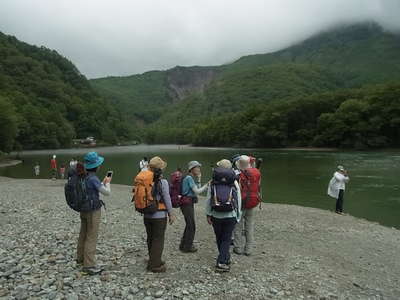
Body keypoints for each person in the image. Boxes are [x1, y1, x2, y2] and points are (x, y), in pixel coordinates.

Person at [77, 151, 111, 275]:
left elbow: (94, 188)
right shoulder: (93, 178)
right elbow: (106, 193)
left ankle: (80, 258)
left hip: (83, 209)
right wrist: (108, 183)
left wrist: (102, 183)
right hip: (93, 210)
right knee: (92, 236)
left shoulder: (83, 176)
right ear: (96, 166)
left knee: (83, 233)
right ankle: (89, 265)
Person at [206, 159, 241, 272]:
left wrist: (208, 214)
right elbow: (239, 199)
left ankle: (222, 260)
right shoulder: (234, 181)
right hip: (230, 215)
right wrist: (238, 215)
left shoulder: (213, 181)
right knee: (226, 239)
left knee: (219, 238)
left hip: (216, 215)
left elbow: (208, 200)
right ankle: (223, 260)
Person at [142, 156, 176, 272]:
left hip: (146, 214)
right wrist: (171, 214)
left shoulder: (144, 180)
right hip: (159, 216)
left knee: (150, 237)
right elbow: (167, 198)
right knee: (158, 239)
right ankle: (154, 265)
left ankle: (153, 258)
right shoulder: (163, 182)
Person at [233, 155, 262, 256]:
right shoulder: (257, 173)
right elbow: (258, 186)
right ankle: (248, 249)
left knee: (238, 226)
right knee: (249, 225)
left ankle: (238, 248)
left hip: (241, 203)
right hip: (253, 202)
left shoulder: (238, 175)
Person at [179, 161, 209, 253]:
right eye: (197, 167)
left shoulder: (190, 177)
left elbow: (196, 189)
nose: (199, 169)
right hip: (186, 204)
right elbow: (197, 191)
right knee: (191, 225)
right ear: (192, 169)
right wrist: (207, 185)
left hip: (187, 203)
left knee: (189, 224)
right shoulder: (189, 178)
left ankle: (183, 244)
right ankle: (187, 247)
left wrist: (199, 179)